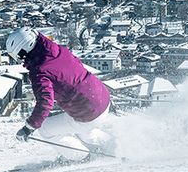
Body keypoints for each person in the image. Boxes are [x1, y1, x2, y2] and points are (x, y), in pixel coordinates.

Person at [6, 27, 115, 159]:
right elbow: (77, 64)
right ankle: (117, 146)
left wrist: (29, 127)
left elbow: (45, 102)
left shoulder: (39, 71)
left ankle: (80, 157)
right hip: (102, 98)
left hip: (87, 111)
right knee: (85, 131)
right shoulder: (56, 50)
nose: (18, 59)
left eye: (17, 55)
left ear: (23, 51)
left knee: (46, 130)